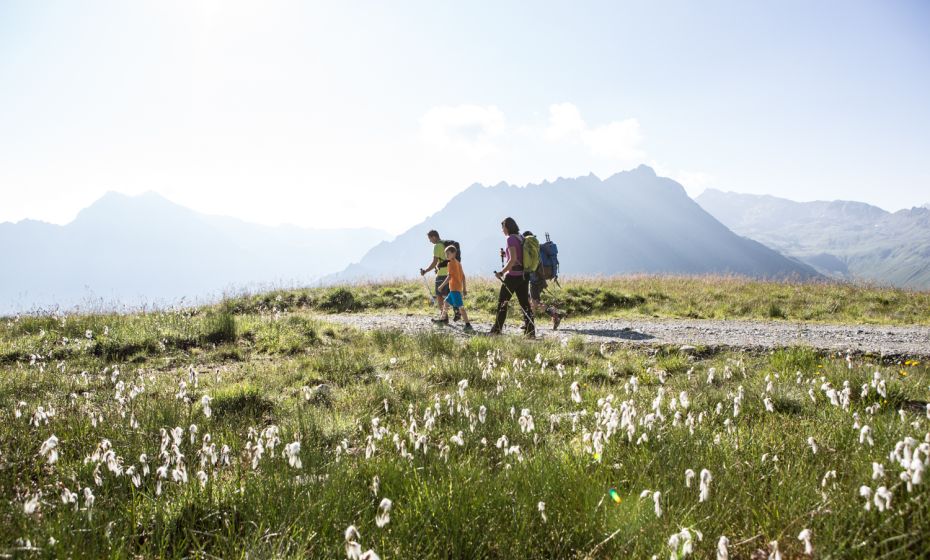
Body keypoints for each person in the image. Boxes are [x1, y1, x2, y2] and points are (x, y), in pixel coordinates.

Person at [490, 217, 535, 337]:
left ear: (507, 227)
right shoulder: (520, 237)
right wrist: (506, 254)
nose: (502, 230)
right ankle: (531, 332)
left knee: (502, 302)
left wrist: (501, 272)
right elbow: (519, 256)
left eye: (503, 227)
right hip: (524, 276)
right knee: (525, 304)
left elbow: (513, 259)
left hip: (513, 276)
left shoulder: (510, 239)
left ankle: (497, 330)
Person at [522, 230, 565, 330]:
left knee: (535, 302)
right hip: (539, 278)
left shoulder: (531, 248)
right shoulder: (538, 247)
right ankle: (529, 322)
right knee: (532, 300)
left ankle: (555, 315)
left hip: (536, 280)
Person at [419, 230, 460, 321]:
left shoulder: (437, 246)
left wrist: (425, 271)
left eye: (430, 239)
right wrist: (437, 267)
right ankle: (457, 311)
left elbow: (434, 262)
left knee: (439, 295)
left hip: (442, 274)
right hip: (450, 272)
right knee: (450, 294)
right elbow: (443, 260)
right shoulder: (444, 244)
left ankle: (443, 318)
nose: (430, 241)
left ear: (434, 237)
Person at [434, 245, 474, 332]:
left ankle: (468, 325)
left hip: (454, 289)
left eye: (448, 253)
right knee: (446, 302)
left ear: (454, 253)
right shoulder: (458, 263)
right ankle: (442, 320)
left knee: (461, 307)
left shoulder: (450, 263)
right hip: (456, 289)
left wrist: (441, 286)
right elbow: (463, 276)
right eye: (446, 254)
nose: (446, 255)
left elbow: (449, 277)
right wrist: (464, 289)